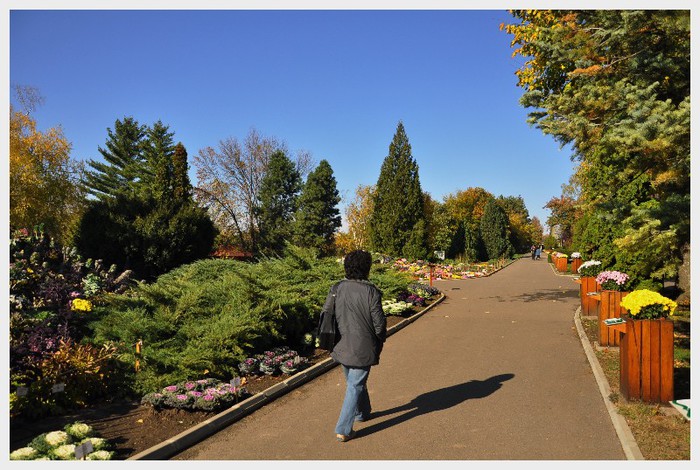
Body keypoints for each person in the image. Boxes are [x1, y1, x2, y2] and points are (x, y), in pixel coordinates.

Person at [322, 249, 386, 442]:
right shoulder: (371, 291)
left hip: (341, 345)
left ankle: (362, 413)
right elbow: (379, 324)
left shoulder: (336, 287)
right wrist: (380, 340)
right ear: (366, 268)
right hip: (363, 346)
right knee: (355, 385)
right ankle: (343, 429)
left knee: (355, 383)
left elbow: (326, 313)